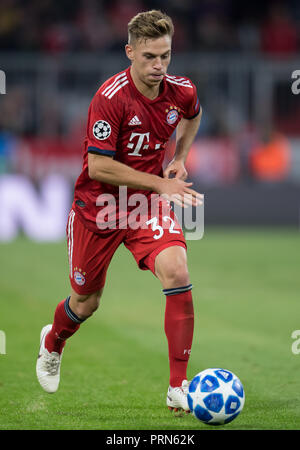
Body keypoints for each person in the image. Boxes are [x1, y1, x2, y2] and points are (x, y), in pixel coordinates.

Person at [36, 9, 202, 413]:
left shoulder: (180, 91)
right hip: (98, 208)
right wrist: (163, 182)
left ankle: (177, 386)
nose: (159, 65)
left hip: (144, 207)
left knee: (178, 270)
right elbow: (98, 166)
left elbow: (194, 115)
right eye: (149, 56)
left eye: (165, 55)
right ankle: (53, 341)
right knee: (86, 302)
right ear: (130, 52)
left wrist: (179, 157)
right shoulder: (110, 99)